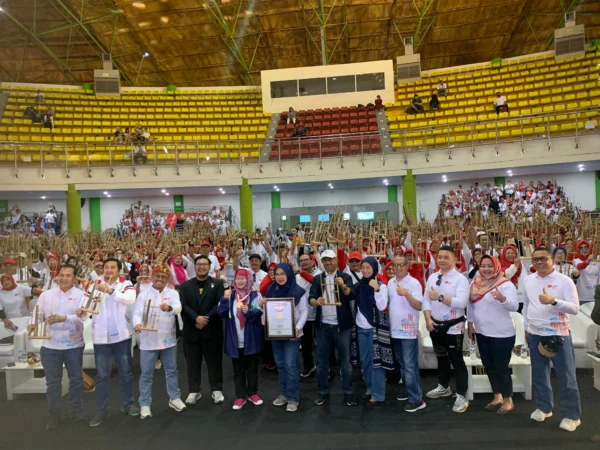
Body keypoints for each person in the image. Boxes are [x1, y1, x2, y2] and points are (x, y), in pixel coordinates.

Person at [522, 247, 581, 432]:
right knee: (539, 374)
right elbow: (526, 305)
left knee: (566, 376)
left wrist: (554, 301)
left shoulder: (565, 281)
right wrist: (526, 327)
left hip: (558, 334)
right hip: (535, 332)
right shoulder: (528, 280)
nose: (539, 262)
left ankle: (572, 415)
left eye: (543, 259)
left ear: (552, 260)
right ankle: (544, 407)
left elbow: (575, 308)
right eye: (535, 259)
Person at [28, 265, 86, 430]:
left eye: (68, 275)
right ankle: (53, 414)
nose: (64, 278)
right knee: (53, 382)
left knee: (76, 380)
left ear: (74, 278)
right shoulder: (47, 295)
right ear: (57, 276)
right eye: (62, 275)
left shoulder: (81, 295)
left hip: (74, 345)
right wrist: (32, 323)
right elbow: (37, 313)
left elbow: (83, 316)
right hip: (50, 345)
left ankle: (76, 410)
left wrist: (64, 318)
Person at [85, 258, 139, 427]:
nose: (108, 270)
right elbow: (85, 304)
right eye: (106, 267)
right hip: (101, 337)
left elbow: (129, 299)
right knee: (102, 375)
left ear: (118, 270)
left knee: (125, 371)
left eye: (112, 267)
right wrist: (81, 311)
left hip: (121, 336)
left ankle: (128, 403)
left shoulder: (126, 284)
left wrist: (109, 291)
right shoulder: (94, 284)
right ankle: (102, 409)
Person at [467, 255, 519, 415]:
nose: (486, 269)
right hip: (482, 332)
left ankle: (509, 400)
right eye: (483, 266)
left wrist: (502, 298)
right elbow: (470, 305)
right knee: (488, 366)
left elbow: (515, 306)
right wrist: (470, 324)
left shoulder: (505, 284)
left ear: (496, 266)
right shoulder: (475, 284)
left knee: (501, 367)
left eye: (490, 265)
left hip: (502, 334)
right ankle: (497, 397)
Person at [422, 245, 471, 413]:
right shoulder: (432, 277)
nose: (441, 260)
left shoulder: (460, 279)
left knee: (456, 360)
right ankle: (443, 386)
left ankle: (462, 394)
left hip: (453, 327)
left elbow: (462, 302)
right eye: (439, 256)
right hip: (435, 324)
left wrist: (441, 297)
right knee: (441, 357)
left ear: (454, 260)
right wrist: (428, 319)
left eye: (446, 257)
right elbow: (426, 300)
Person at [133, 266, 185, 419]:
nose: (160, 279)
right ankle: (145, 404)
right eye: (157, 276)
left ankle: (174, 398)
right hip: (148, 341)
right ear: (152, 277)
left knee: (171, 371)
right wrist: (137, 324)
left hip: (168, 339)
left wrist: (169, 308)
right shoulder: (144, 294)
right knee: (146, 374)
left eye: (163, 276)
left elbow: (178, 307)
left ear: (167, 278)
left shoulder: (173, 292)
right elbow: (137, 313)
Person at [309, 250, 357, 407]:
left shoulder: (346, 276)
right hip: (323, 327)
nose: (327, 263)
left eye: (330, 260)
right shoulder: (318, 279)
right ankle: (322, 392)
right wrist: (316, 302)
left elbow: (351, 294)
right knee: (322, 362)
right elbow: (311, 298)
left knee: (346, 362)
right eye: (325, 261)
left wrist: (343, 286)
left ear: (336, 260)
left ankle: (348, 392)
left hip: (342, 326)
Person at [180, 255, 225, 406]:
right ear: (194, 266)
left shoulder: (218, 284)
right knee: (192, 362)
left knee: (214, 361)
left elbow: (219, 304)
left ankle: (216, 389)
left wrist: (205, 319)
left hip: (212, 329)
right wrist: (196, 318)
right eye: (198, 264)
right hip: (192, 330)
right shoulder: (186, 286)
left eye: (204, 264)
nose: (201, 267)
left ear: (209, 266)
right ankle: (194, 390)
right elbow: (184, 306)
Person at [262, 263, 307, 412]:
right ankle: (284, 393)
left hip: (293, 335)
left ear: (289, 274)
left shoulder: (298, 291)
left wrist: (298, 328)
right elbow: (268, 312)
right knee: (280, 364)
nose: (280, 277)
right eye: (277, 274)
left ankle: (293, 397)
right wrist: (261, 303)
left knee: (290, 365)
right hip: (276, 334)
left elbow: (304, 311)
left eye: (283, 273)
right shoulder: (271, 289)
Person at [218, 268, 264, 410]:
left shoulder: (255, 295)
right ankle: (240, 396)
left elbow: (258, 313)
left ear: (248, 279)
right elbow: (221, 312)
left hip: (251, 339)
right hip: (234, 339)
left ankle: (252, 393)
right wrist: (224, 299)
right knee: (237, 370)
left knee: (252, 369)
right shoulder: (230, 295)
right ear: (234, 281)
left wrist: (248, 311)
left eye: (243, 278)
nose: (240, 281)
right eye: (238, 278)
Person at [388, 255, 426, 412]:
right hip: (394, 330)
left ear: (407, 265)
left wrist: (407, 294)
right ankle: (408, 389)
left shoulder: (414, 283)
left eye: (401, 265)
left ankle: (416, 399)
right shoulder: (390, 282)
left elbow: (419, 305)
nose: (398, 268)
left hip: (408, 331)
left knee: (410, 365)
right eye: (395, 265)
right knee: (403, 363)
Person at [354, 257, 391, 405]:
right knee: (365, 361)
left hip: (375, 329)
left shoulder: (381, 285)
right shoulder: (358, 285)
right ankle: (370, 387)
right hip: (361, 328)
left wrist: (376, 288)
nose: (365, 270)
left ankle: (378, 393)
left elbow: (382, 306)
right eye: (363, 267)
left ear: (375, 268)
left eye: (368, 267)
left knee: (377, 362)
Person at [297, 253, 320, 378]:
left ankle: (324, 367)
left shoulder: (318, 273)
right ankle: (309, 365)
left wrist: (301, 273)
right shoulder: (297, 276)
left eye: (306, 260)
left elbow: (315, 282)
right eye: (301, 260)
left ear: (312, 262)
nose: (304, 262)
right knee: (306, 343)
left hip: (319, 311)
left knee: (322, 342)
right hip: (304, 313)